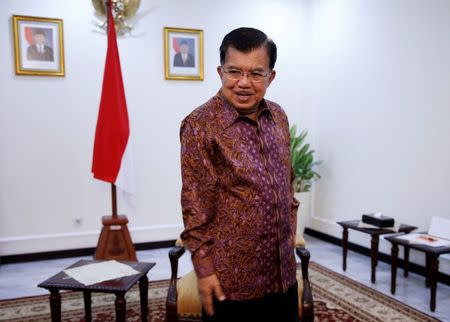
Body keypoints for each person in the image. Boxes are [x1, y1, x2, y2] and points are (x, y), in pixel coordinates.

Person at [180, 27, 299, 322]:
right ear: (220, 72)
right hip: (232, 284)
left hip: (282, 275)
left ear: (270, 77)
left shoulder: (279, 116)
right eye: (234, 72)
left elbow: (287, 184)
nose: (244, 83)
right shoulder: (199, 125)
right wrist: (204, 271)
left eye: (256, 74)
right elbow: (195, 206)